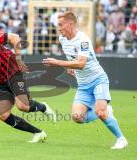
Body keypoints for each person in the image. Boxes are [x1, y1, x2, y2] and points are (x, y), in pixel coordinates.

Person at [43, 11, 128, 149]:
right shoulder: (62, 39)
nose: (59, 28)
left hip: (98, 79)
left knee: (100, 113)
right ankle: (107, 110)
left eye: (61, 25)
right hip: (83, 84)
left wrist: (58, 63)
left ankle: (121, 139)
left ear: (70, 24)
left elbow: (81, 63)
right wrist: (72, 69)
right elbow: (74, 60)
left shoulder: (83, 39)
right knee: (77, 117)